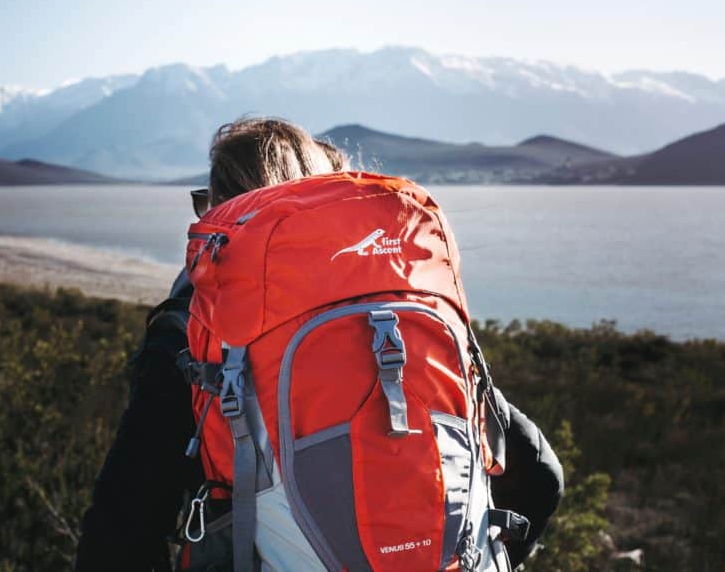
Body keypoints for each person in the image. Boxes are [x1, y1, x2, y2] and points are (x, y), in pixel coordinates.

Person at [75, 117, 562, 571]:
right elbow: (541, 477)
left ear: (222, 217)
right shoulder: (404, 304)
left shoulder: (195, 329)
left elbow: (120, 534)